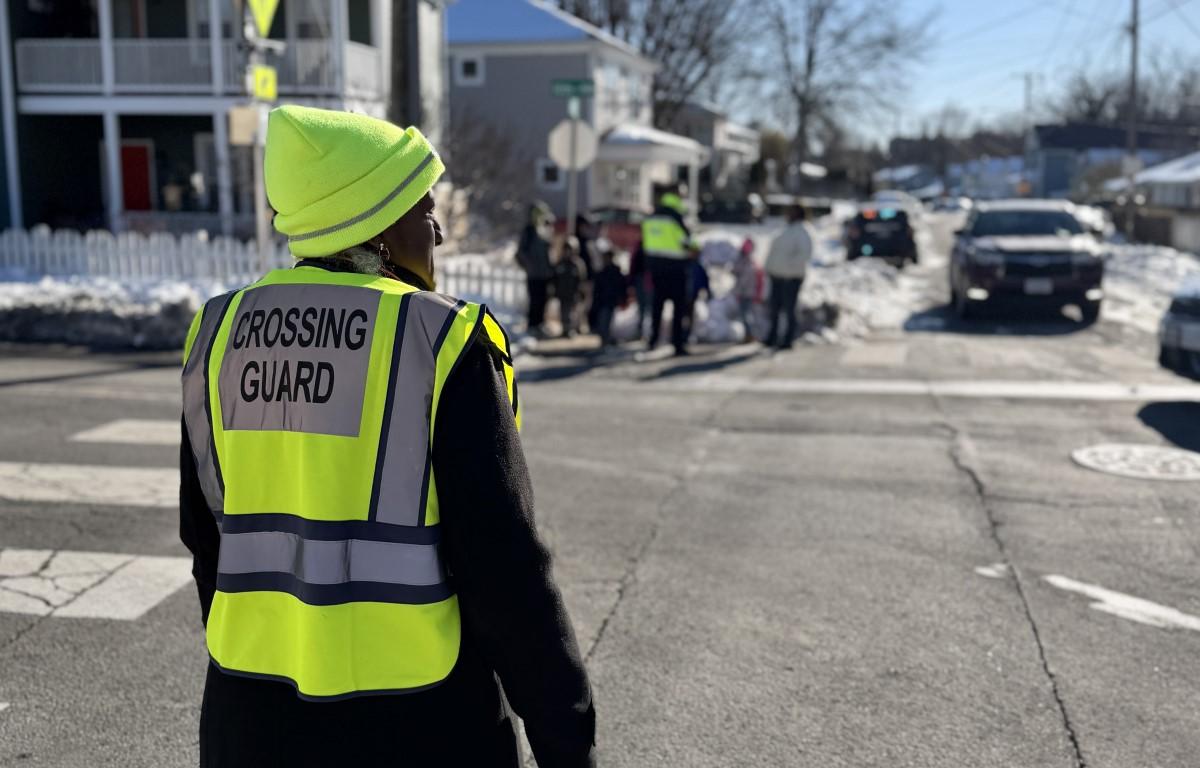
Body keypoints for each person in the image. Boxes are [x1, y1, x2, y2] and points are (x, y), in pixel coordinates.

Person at [179, 105, 595, 768]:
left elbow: (209, 544)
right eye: (423, 207)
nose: (435, 228)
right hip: (419, 722)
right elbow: (506, 573)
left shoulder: (219, 333)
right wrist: (566, 741)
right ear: (372, 220)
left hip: (249, 718)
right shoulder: (440, 339)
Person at [640, 191, 698, 355]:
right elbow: (688, 242)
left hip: (657, 269)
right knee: (678, 309)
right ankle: (677, 344)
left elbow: (646, 243)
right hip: (676, 269)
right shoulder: (675, 218)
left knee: (657, 307)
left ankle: (653, 340)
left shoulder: (650, 218)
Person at [763, 203, 814, 349]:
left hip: (791, 277)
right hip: (777, 276)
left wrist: (787, 266)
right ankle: (772, 336)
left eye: (791, 212)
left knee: (789, 309)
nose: (788, 214)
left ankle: (788, 339)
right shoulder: (786, 230)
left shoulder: (803, 231)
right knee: (774, 309)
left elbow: (805, 255)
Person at [516, 201, 555, 336]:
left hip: (544, 274)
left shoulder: (542, 230)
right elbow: (521, 253)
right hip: (534, 275)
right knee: (535, 300)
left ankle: (540, 324)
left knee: (543, 300)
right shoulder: (529, 232)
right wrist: (530, 265)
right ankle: (533, 325)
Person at [591, 248, 626, 348]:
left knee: (608, 322)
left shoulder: (616, 272)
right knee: (603, 322)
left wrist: (622, 298)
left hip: (611, 301)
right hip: (603, 301)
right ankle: (605, 340)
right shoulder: (601, 273)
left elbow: (621, 286)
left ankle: (607, 340)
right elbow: (597, 289)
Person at [553, 237, 587, 338]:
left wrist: (581, 291)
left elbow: (582, 279)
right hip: (563, 292)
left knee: (574, 312)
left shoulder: (577, 264)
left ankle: (574, 328)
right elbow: (555, 278)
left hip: (574, 293)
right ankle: (565, 329)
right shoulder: (560, 263)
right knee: (564, 312)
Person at [732, 237, 761, 342]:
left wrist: (739, 291)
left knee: (745, 315)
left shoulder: (747, 261)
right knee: (745, 314)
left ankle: (750, 335)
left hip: (746, 292)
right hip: (746, 292)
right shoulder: (748, 260)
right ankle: (749, 334)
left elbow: (743, 278)